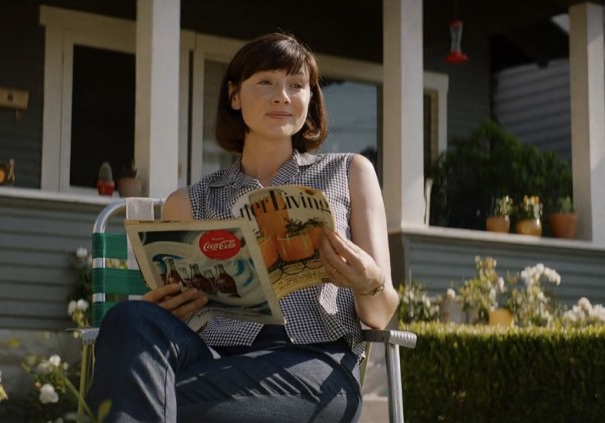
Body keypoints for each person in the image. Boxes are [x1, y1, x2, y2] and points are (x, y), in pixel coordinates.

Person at [86, 32, 399, 422]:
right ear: (234, 96)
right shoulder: (190, 200)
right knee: (128, 318)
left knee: (138, 397)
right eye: (266, 81)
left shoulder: (349, 172)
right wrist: (165, 308)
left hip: (314, 366)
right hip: (213, 359)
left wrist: (370, 281)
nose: (282, 96)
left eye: (297, 85)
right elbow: (180, 317)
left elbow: (380, 316)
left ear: (310, 98)